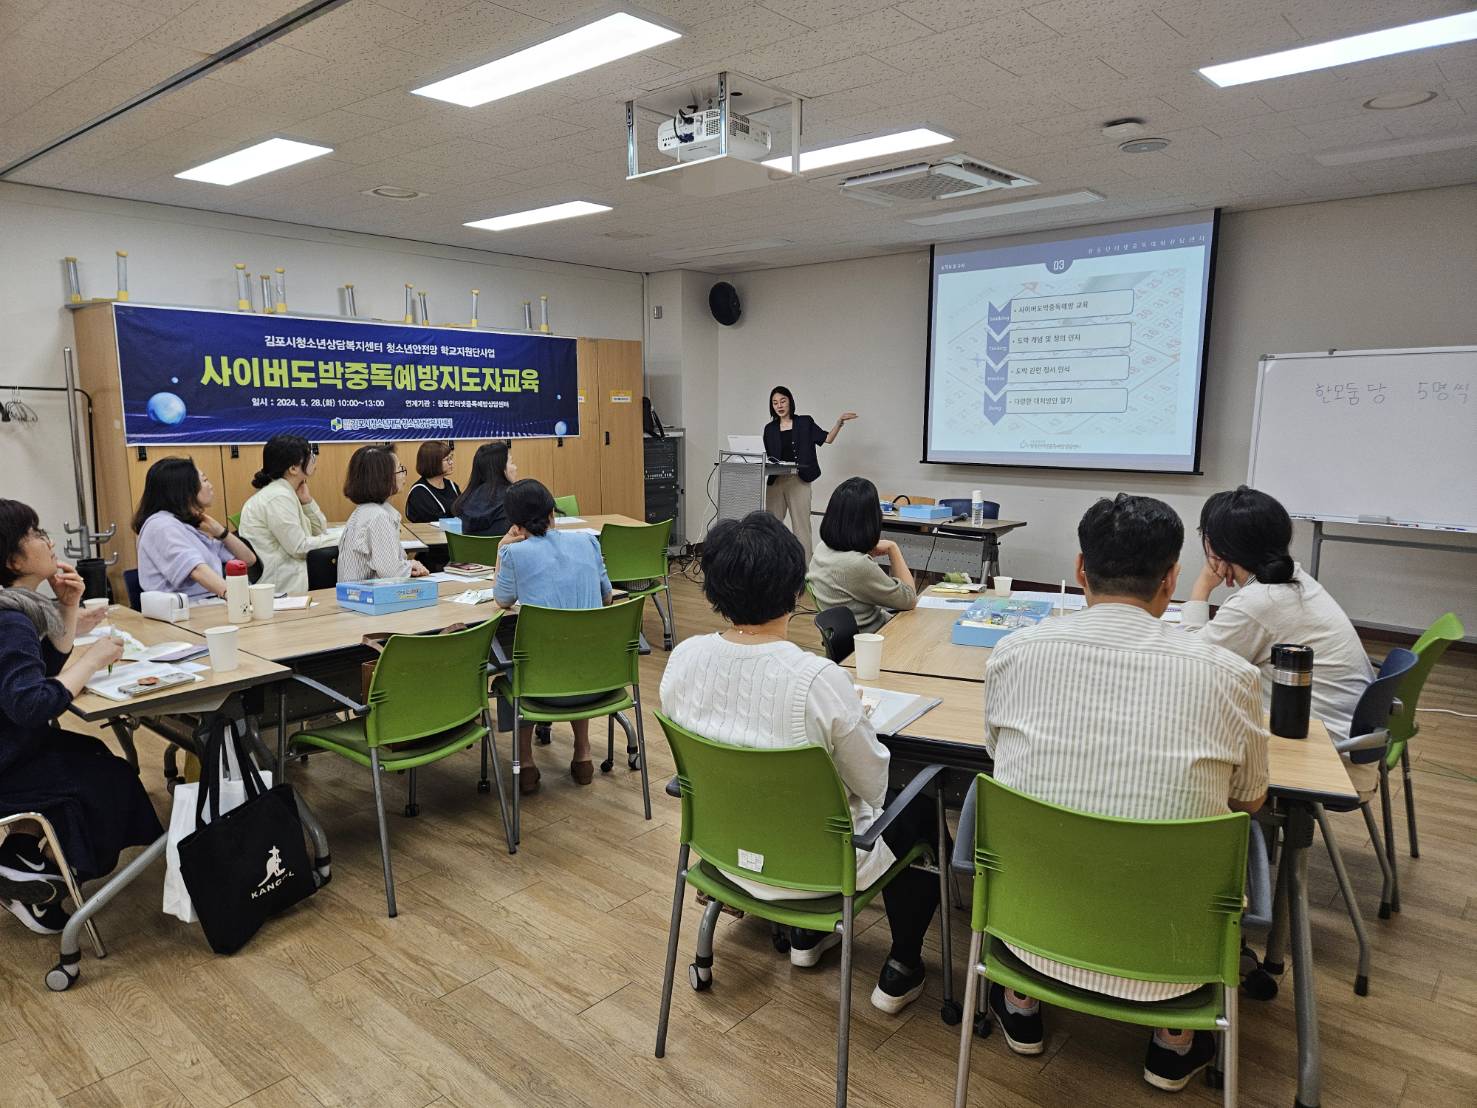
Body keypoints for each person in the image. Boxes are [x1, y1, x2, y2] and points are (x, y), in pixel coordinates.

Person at [982, 494, 1268, 1092]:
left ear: (1081, 569)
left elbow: (997, 759)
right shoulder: (1230, 676)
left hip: (1027, 937)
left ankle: (1021, 1003)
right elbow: (1250, 800)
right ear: (1171, 579)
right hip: (1176, 961)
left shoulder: (1013, 653)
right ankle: (1173, 1042)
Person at [659, 510, 941, 1015]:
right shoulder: (815, 679)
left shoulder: (683, 659)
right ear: (796, 588)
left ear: (713, 588)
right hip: (819, 870)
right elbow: (874, 784)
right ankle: (902, 963)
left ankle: (804, 937)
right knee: (919, 800)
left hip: (721, 853)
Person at [0, 500, 163, 935]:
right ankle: (50, 879)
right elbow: (31, 704)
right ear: (14, 559)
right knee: (109, 778)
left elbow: (42, 674)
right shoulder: (10, 619)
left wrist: (67, 606)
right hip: (7, 762)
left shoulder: (16, 608)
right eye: (35, 534)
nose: (48, 540)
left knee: (88, 751)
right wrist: (91, 660)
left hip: (14, 749)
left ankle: (20, 860)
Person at [1183, 487, 1373, 755]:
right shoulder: (1296, 580)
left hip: (1317, 748)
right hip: (1345, 734)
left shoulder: (1258, 602)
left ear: (1214, 547)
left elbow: (1189, 664)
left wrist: (1202, 586)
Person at [493, 479, 613, 793]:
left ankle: (527, 761)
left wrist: (501, 549)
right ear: (552, 512)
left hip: (540, 687)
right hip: (598, 680)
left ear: (515, 524)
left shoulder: (514, 555)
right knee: (576, 647)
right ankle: (583, 753)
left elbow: (502, 600)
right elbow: (607, 597)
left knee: (516, 661)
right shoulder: (588, 542)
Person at [133, 458, 256, 599]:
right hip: (186, 611)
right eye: (204, 480)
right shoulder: (161, 525)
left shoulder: (187, 524)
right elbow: (196, 569)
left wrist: (221, 532)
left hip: (209, 604)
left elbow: (248, 560)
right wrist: (237, 597)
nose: (210, 486)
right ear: (184, 489)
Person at [809, 476, 917, 633]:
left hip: (850, 639)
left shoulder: (822, 548)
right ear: (870, 519)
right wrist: (893, 549)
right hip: (875, 638)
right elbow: (909, 598)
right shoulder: (857, 564)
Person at [762, 387, 856, 561]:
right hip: (776, 481)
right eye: (775, 403)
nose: (779, 405)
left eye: (783, 401)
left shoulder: (804, 422)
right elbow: (769, 456)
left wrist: (839, 422)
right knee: (771, 526)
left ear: (790, 401)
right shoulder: (769, 429)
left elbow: (827, 439)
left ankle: (804, 572)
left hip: (799, 479)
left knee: (801, 527)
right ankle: (772, 567)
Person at [237, 434, 334, 595]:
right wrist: (343, 537)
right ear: (293, 468)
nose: (313, 460)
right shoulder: (278, 497)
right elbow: (299, 547)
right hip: (283, 586)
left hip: (293, 577)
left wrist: (307, 502)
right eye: (308, 456)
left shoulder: (287, 492)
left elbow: (319, 531)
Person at [336, 447, 428, 582]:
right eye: (399, 469)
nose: (403, 474)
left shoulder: (365, 511)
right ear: (382, 477)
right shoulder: (378, 516)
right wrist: (411, 565)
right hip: (367, 596)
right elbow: (392, 573)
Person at [455, 441, 516, 536]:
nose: (515, 468)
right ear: (501, 469)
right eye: (512, 463)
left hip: (472, 550)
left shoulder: (467, 499)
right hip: (502, 550)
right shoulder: (514, 499)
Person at [405, 440, 462, 523]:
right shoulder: (419, 492)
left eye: (451, 458)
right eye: (447, 459)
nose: (451, 462)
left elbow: (464, 511)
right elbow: (436, 521)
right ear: (432, 463)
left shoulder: (452, 485)